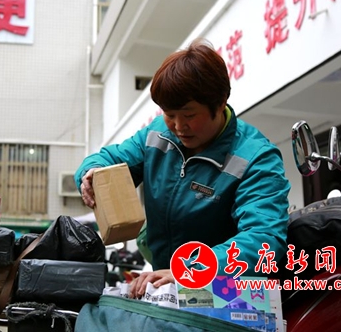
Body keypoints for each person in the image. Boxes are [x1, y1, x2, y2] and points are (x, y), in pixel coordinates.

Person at [75, 38, 290, 298]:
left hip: (225, 294)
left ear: (220, 103)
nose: (178, 126)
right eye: (169, 114)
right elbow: (109, 158)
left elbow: (263, 239)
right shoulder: (156, 134)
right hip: (165, 288)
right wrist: (91, 173)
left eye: (189, 115)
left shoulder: (256, 157)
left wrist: (188, 271)